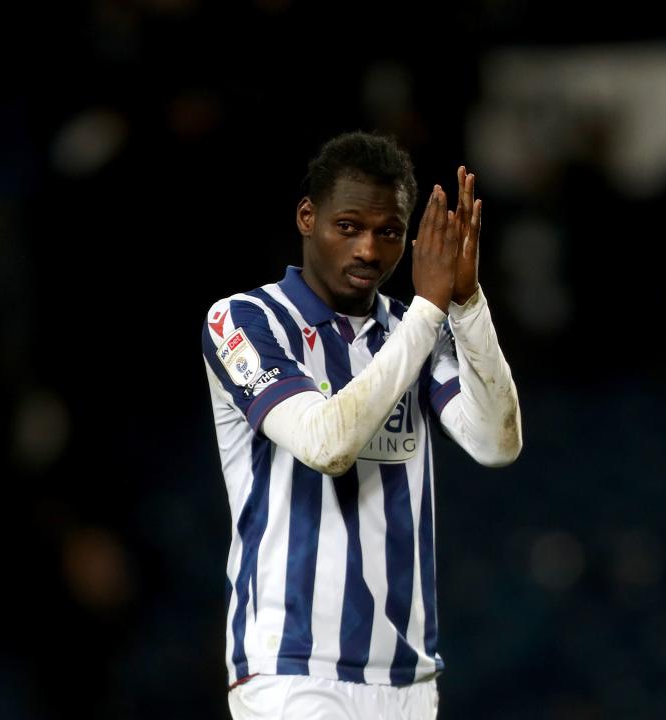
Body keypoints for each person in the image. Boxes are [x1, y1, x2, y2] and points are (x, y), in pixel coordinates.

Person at [201, 130, 522, 720]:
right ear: (307, 217)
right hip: (293, 667)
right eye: (348, 226)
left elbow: (495, 442)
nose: (370, 251)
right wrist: (428, 312)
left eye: (390, 232)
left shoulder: (412, 329)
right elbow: (327, 444)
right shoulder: (243, 320)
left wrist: (467, 303)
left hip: (408, 675)